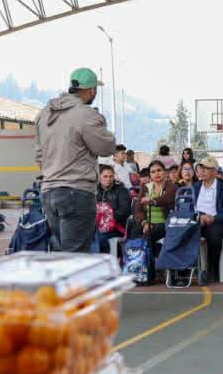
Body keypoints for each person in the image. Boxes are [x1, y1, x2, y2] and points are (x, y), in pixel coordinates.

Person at [33, 68, 117, 253]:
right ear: (92, 91)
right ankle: (70, 283)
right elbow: (106, 148)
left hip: (49, 192)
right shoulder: (85, 115)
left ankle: (59, 282)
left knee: (61, 251)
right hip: (76, 192)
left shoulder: (44, 114)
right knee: (75, 256)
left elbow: (39, 156)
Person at [192, 156, 223, 280]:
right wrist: (200, 216)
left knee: (215, 236)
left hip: (216, 222)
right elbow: (190, 207)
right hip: (198, 220)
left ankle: (212, 270)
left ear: (215, 172)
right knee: (184, 231)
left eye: (207, 168)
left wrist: (213, 218)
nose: (202, 171)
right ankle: (185, 270)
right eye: (201, 168)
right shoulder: (196, 187)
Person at [135, 159, 177, 283]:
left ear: (165, 172)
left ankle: (149, 273)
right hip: (148, 223)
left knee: (147, 236)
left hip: (166, 223)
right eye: (153, 172)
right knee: (137, 233)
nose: (157, 174)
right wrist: (144, 222)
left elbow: (166, 199)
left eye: (159, 170)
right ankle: (145, 271)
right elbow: (137, 209)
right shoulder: (145, 188)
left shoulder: (172, 187)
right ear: (150, 175)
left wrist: (152, 201)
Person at [94, 165, 130, 255]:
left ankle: (105, 259)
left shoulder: (122, 190)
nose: (108, 179)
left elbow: (124, 210)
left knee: (99, 236)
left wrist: (107, 221)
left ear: (114, 176)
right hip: (96, 226)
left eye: (111, 176)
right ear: (99, 177)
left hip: (116, 227)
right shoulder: (95, 190)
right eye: (105, 176)